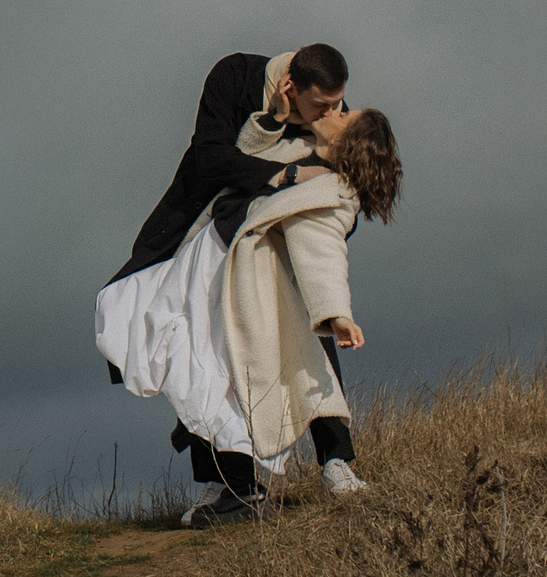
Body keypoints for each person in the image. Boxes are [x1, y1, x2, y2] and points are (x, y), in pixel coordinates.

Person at [96, 103, 401, 526]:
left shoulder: (333, 189)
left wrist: (337, 313)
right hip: (203, 262)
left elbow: (323, 251)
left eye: (346, 116)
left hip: (246, 286)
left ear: (351, 142)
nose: (336, 110)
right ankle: (228, 483)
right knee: (163, 340)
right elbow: (241, 159)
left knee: (220, 371)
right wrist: (273, 118)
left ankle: (252, 485)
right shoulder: (292, 147)